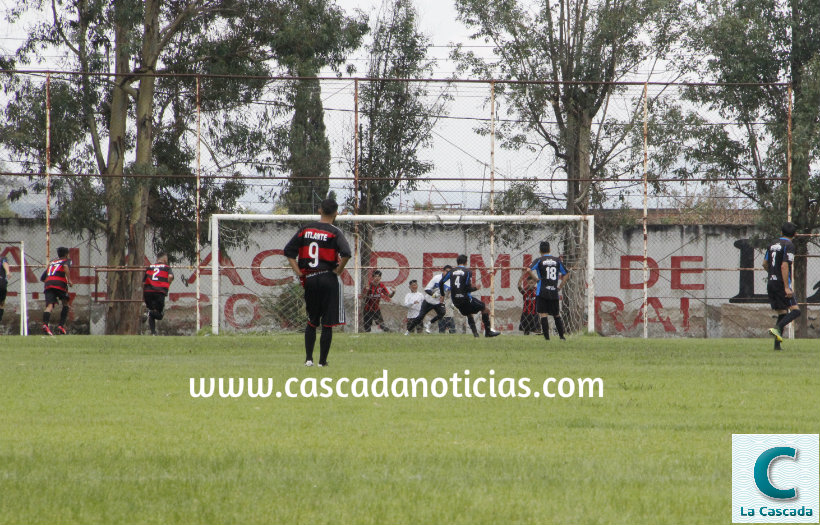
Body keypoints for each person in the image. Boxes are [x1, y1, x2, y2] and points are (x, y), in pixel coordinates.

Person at [284, 198, 351, 367]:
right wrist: (339, 270)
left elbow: (289, 252)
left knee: (312, 320)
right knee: (327, 322)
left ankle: (308, 359)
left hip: (310, 278)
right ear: (336, 213)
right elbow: (346, 253)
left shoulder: (305, 230)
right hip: (328, 277)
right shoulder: (335, 232)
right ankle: (322, 362)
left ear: (320, 210)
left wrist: (299, 273)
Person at [439, 255, 500, 338]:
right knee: (485, 308)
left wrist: (442, 295)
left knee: (468, 313)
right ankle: (488, 332)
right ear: (466, 262)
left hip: (456, 301)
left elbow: (441, 283)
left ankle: (475, 334)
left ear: (457, 262)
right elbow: (467, 289)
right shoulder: (468, 272)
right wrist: (475, 288)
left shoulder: (451, 272)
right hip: (465, 299)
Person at [764, 221, 801, 350]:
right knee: (796, 311)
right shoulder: (789, 245)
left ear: (781, 232)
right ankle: (777, 328)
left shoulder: (772, 244)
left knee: (783, 314)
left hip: (771, 282)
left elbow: (764, 263)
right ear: (794, 234)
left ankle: (777, 346)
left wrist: (772, 274)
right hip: (781, 283)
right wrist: (786, 286)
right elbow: (784, 265)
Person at [528, 241, 569, 341]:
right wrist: (560, 286)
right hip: (553, 291)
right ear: (550, 249)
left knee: (543, 314)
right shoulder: (557, 260)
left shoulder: (539, 260)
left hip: (542, 291)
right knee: (556, 314)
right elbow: (566, 274)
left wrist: (536, 279)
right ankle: (562, 337)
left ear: (539, 251)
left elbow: (528, 270)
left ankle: (547, 338)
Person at [407, 264, 452, 333]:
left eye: (450, 272)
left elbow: (449, 293)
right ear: (443, 271)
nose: (448, 273)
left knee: (442, 313)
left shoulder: (451, 282)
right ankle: (408, 331)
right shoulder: (436, 278)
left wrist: (450, 301)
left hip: (438, 302)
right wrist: (433, 295)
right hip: (428, 301)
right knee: (420, 317)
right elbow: (427, 289)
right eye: (446, 271)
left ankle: (428, 323)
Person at [40, 246, 72, 336]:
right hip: (60, 284)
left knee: (49, 306)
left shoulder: (52, 263)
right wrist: (69, 280)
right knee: (65, 303)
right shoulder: (66, 261)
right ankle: (61, 326)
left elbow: (42, 278)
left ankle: (45, 325)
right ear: (66, 254)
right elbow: (65, 267)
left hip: (48, 284)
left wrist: (51, 281)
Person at [143, 253, 174, 336]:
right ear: (164, 260)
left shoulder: (150, 267)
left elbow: (143, 282)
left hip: (148, 292)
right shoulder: (166, 268)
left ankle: (153, 333)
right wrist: (167, 284)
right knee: (160, 315)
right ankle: (148, 313)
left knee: (151, 311)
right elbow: (170, 276)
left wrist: (145, 292)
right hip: (159, 292)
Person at [0, 255, 9, 326]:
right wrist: (8, 272)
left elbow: (4, 263)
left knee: (2, 303)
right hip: (2, 283)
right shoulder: (2, 258)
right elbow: (5, 263)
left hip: (1, 283)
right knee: (1, 304)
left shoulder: (2, 259)